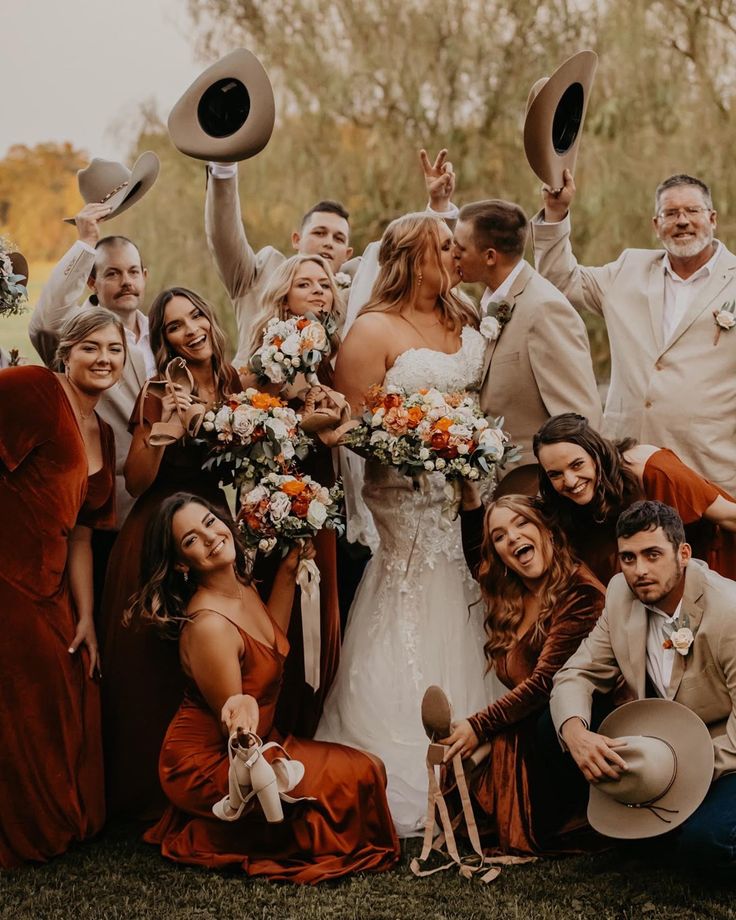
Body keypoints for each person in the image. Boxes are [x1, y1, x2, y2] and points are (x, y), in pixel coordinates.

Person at [315, 212, 496, 836]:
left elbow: (473, 397)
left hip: (463, 493)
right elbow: (350, 430)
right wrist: (424, 444)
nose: (458, 253)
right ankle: (401, 757)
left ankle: (478, 751)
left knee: (461, 588)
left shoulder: (464, 316)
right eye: (445, 246)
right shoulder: (371, 330)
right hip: (403, 494)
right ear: (413, 259)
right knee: (410, 593)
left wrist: (467, 448)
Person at [133, 493, 399, 882]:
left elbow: (271, 644)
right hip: (213, 760)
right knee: (347, 783)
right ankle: (203, 830)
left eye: (209, 523)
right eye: (190, 540)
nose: (209, 538)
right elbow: (237, 728)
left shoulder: (239, 583)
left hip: (262, 740)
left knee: (366, 768)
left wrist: (288, 573)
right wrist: (273, 765)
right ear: (179, 563)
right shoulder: (209, 625)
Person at [99, 287, 241, 821]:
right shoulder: (158, 391)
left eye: (196, 316)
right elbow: (135, 480)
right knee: (154, 667)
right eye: (175, 326)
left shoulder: (234, 383)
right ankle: (150, 793)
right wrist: (167, 429)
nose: (191, 330)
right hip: (159, 532)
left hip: (216, 528)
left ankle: (217, 777)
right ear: (163, 340)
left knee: (214, 658)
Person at [0, 309, 124, 867]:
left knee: (77, 678)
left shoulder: (103, 432)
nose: (103, 358)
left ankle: (70, 815)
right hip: (7, 574)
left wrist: (87, 616)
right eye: (90, 347)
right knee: (29, 694)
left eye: (114, 349)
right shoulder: (33, 389)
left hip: (53, 583)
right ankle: (30, 827)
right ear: (65, 353)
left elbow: (81, 533)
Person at [549, 500, 736, 869]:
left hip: (725, 751)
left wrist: (678, 770)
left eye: (652, 555)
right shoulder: (620, 593)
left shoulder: (728, 611)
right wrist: (575, 734)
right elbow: (577, 673)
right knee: (553, 724)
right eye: (628, 558)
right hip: (664, 741)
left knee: (706, 842)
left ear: (683, 554)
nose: (639, 570)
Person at [532, 171, 736, 497]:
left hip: (708, 471)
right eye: (670, 213)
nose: (682, 221)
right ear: (656, 225)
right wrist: (556, 212)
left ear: (712, 219)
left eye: (692, 211)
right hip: (628, 467)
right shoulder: (628, 269)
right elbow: (560, 280)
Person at [440, 494, 605, 854]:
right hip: (532, 725)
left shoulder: (581, 594)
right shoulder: (512, 593)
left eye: (521, 523)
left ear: (547, 529)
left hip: (572, 730)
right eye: (499, 535)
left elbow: (547, 683)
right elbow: (474, 556)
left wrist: (480, 726)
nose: (511, 537)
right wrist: (469, 496)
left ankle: (569, 814)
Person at [205, 148, 459, 366]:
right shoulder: (258, 274)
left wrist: (439, 208)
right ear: (296, 240)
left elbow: (422, 271)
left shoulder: (363, 286)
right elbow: (223, 236)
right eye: (319, 232)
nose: (328, 242)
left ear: (348, 253)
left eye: (338, 239)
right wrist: (225, 163)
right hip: (253, 404)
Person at [244, 254, 344, 738]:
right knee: (288, 612)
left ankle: (310, 722)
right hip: (281, 498)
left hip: (322, 490)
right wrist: (305, 421)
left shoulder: (327, 355)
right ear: (284, 294)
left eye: (324, 284)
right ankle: (275, 727)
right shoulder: (270, 355)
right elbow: (257, 429)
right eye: (305, 283)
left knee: (322, 611)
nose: (318, 291)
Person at [452, 199, 602, 495]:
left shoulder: (544, 308)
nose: (454, 254)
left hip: (540, 491)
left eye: (461, 248)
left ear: (490, 256)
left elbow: (578, 417)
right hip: (501, 490)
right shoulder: (491, 301)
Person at [533, 413, 736, 586]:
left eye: (577, 465)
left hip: (714, 567)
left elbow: (730, 516)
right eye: (555, 474)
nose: (569, 480)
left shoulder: (652, 469)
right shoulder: (559, 505)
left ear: (596, 454)